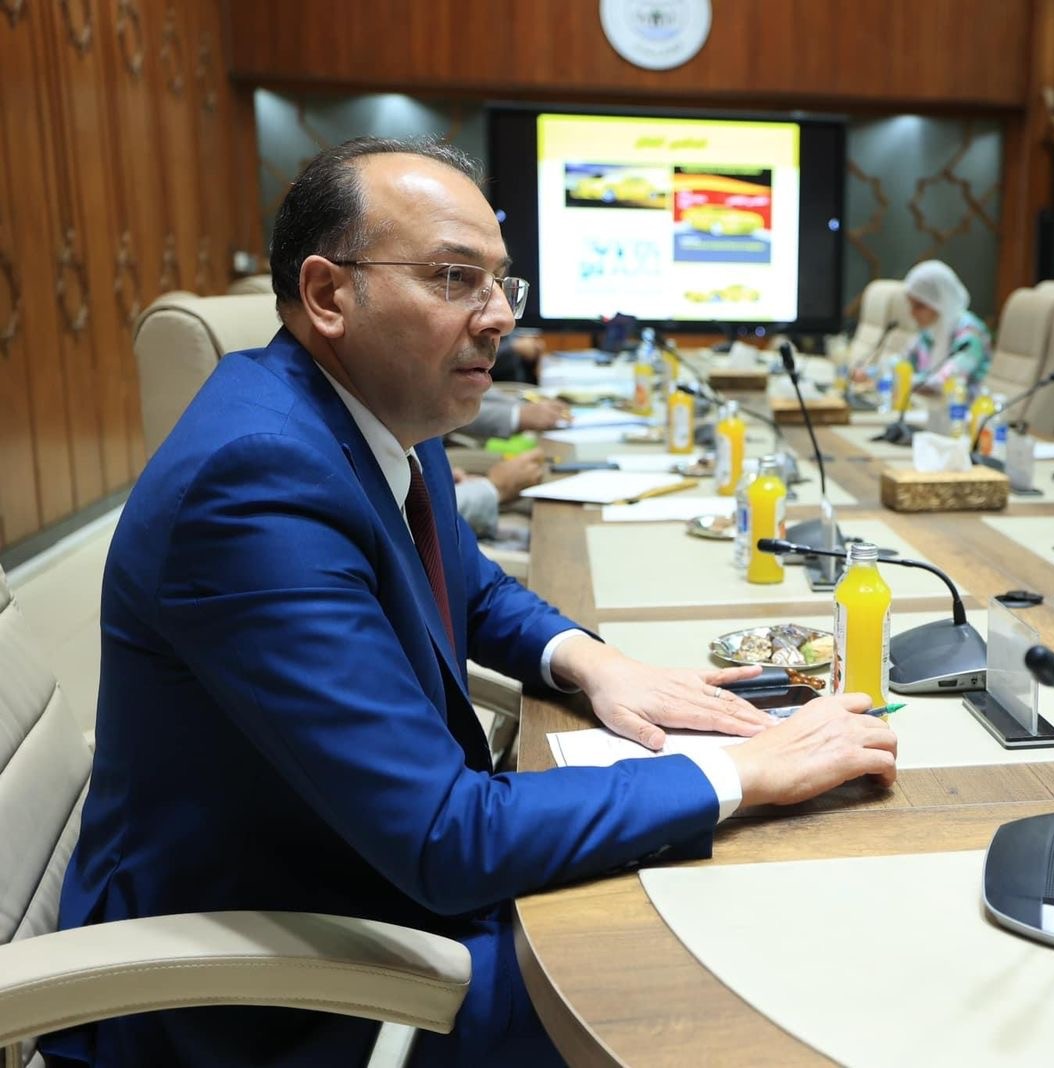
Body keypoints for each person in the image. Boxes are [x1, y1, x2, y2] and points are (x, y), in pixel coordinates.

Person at [45, 137, 897, 1067]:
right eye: (455, 278)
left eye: (500, 282)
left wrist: (596, 663)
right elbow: (446, 836)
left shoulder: (384, 414)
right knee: (730, 975)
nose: (499, 317)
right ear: (328, 295)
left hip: (359, 881)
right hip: (266, 991)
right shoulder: (254, 486)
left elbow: (468, 583)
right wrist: (742, 773)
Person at [901, 259, 991, 394]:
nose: (912, 313)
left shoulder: (969, 333)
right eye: (911, 305)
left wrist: (904, 379)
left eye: (919, 306)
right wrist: (877, 371)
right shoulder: (929, 331)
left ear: (940, 303)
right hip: (927, 404)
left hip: (962, 405)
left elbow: (945, 380)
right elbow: (903, 362)